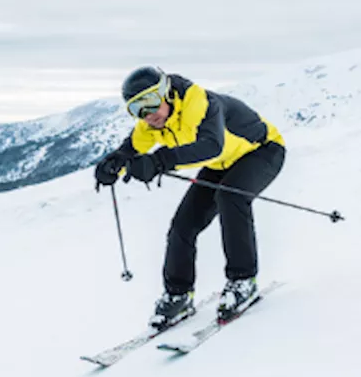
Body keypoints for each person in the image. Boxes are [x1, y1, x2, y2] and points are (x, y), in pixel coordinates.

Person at [94, 65, 286, 328]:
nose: (147, 114)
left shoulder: (201, 104)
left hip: (262, 151)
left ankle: (243, 281)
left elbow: (211, 145)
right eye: (137, 109)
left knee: (230, 199)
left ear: (166, 93)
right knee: (183, 226)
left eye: (149, 102)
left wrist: (159, 161)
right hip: (220, 163)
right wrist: (112, 164)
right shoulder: (150, 124)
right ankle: (178, 295)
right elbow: (130, 150)